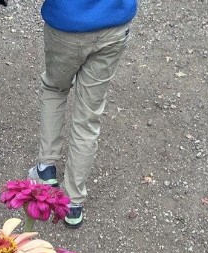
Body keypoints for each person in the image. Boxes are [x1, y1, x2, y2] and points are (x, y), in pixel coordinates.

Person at [28, 0, 138, 227]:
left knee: (55, 89)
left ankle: (46, 168)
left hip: (65, 22)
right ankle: (73, 201)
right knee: (88, 116)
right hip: (113, 24)